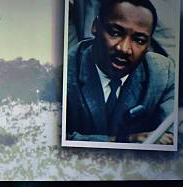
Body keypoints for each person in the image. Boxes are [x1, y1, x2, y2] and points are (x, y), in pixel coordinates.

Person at [66, 0, 175, 144]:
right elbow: (53, 137)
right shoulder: (63, 73)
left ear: (149, 45)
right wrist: (123, 140)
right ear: (95, 26)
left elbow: (173, 135)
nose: (124, 49)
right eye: (115, 33)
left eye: (139, 40)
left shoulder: (163, 73)